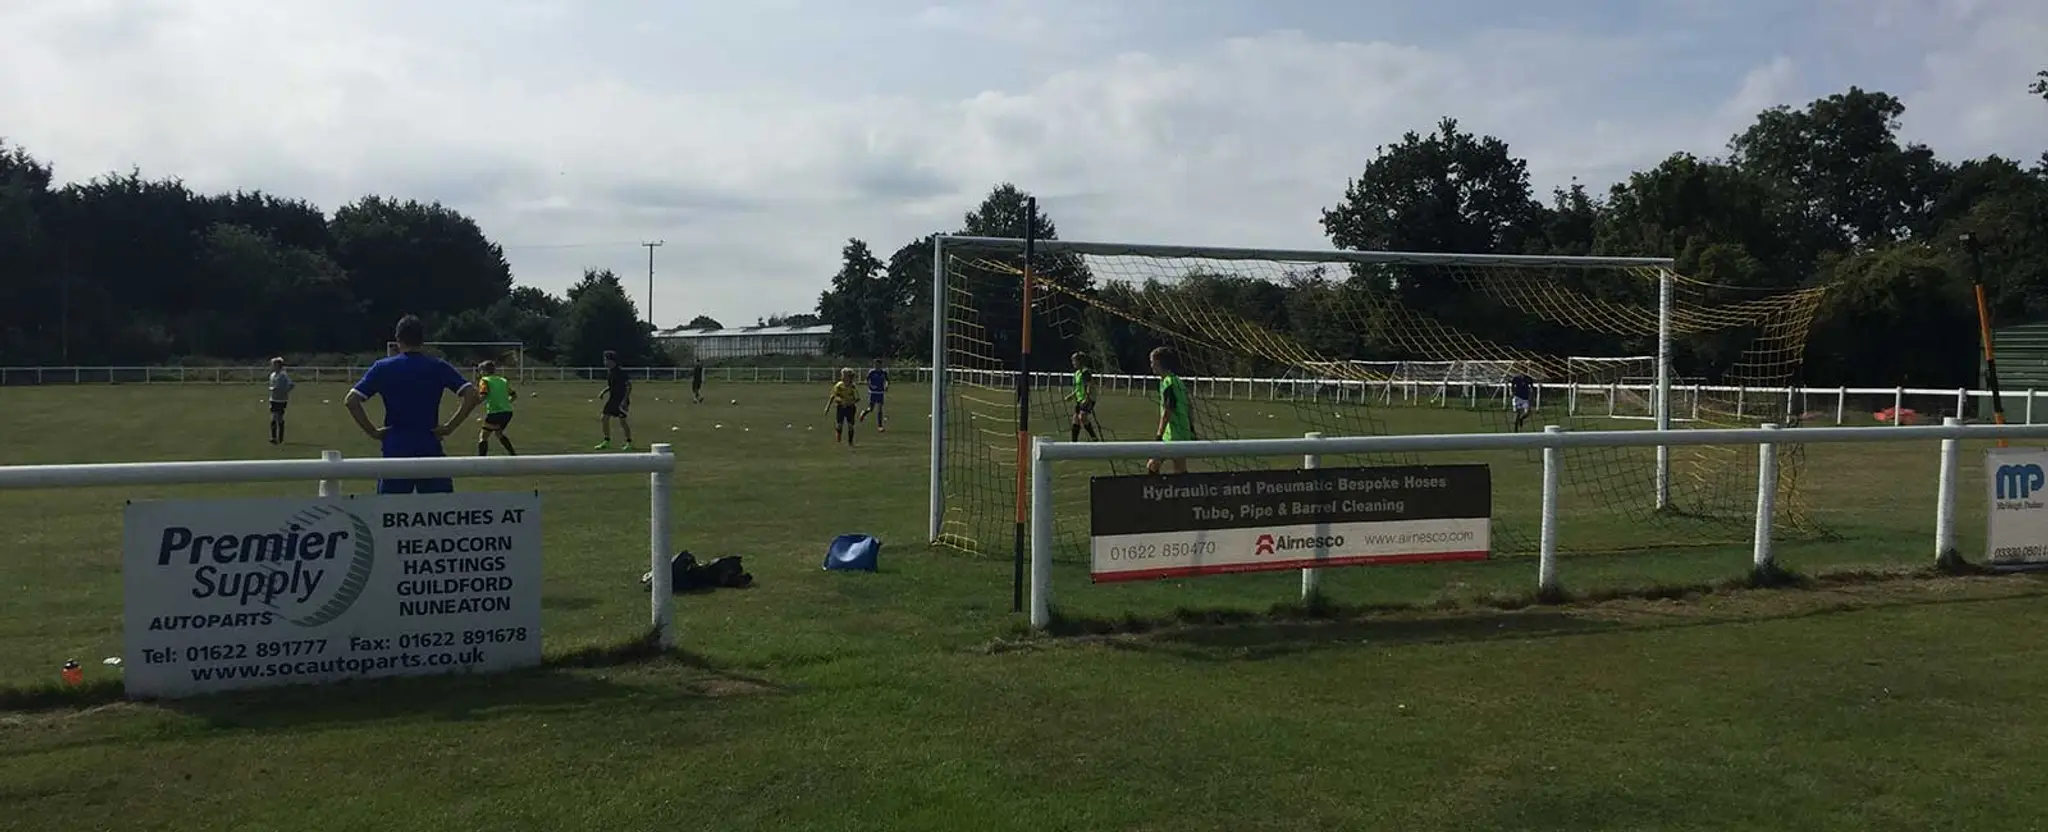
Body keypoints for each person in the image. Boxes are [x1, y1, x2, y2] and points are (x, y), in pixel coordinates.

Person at [343, 315, 482, 494]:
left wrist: (373, 432)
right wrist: (449, 427)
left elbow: (351, 401)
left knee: (391, 513)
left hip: (395, 446)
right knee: (439, 512)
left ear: (397, 339)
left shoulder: (383, 367)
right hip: (429, 443)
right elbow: (471, 395)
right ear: (422, 340)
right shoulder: (438, 366)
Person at [1145, 347, 1192, 475]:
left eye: (1152, 362)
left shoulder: (1169, 382)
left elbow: (1167, 411)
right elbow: (1189, 406)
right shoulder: (1176, 380)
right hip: (1178, 433)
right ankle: (1159, 492)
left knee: (1179, 470)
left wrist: (1158, 436)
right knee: (1153, 465)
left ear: (1159, 363)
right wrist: (1191, 429)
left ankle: (1181, 493)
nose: (1151, 365)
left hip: (1174, 435)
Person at [475, 360, 518, 456]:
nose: (480, 373)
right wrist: (506, 402)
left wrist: (473, 403)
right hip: (507, 412)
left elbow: (483, 395)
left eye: (480, 371)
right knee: (499, 433)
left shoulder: (484, 380)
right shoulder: (503, 380)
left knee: (483, 437)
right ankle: (513, 454)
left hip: (495, 412)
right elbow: (514, 395)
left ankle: (481, 460)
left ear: (484, 371)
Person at [595, 350, 635, 451]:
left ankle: (629, 442)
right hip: (612, 400)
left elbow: (629, 386)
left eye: (606, 360)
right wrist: (603, 392)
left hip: (621, 401)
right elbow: (612, 386)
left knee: (622, 422)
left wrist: (625, 400)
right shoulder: (610, 372)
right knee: (604, 418)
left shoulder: (620, 372)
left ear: (612, 361)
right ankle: (606, 441)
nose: (604, 362)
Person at [1067, 351, 1101, 442]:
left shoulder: (1085, 372)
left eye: (1074, 361)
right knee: (1075, 419)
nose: (1073, 363)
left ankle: (1094, 439)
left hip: (1087, 399)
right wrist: (1072, 395)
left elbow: (1090, 384)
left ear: (1079, 361)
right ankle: (1074, 442)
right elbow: (1078, 388)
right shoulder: (1077, 373)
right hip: (1080, 399)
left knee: (1082, 416)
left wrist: (1087, 397)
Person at [827, 367, 861, 446]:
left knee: (850, 425)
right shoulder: (839, 385)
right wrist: (839, 401)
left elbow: (858, 398)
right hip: (841, 407)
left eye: (844, 375)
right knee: (839, 424)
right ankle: (838, 437)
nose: (843, 376)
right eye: (842, 375)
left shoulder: (852, 386)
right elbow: (834, 396)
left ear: (849, 376)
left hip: (850, 408)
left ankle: (850, 442)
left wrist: (851, 402)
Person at [266, 357, 295, 445]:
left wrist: (284, 391)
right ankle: (274, 437)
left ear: (278, 365)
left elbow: (292, 385)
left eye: (274, 364)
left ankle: (280, 438)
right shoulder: (272, 375)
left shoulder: (283, 375)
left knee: (279, 418)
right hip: (273, 399)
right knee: (273, 417)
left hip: (281, 400)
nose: (272, 366)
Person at [860, 358, 889, 431]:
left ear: (880, 365)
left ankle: (880, 426)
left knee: (879, 409)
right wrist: (871, 386)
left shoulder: (883, 372)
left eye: (878, 364)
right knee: (871, 409)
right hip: (872, 392)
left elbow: (887, 380)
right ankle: (864, 413)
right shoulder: (871, 372)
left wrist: (886, 385)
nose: (876, 365)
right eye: (875, 364)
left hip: (880, 392)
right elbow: (867, 380)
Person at [1509, 367, 1536, 431]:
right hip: (1517, 397)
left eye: (1525, 371)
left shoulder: (1529, 379)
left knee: (1527, 412)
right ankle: (1515, 430)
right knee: (1517, 413)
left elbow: (1532, 387)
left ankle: (1521, 419)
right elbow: (1512, 386)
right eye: (1522, 371)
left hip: (1525, 398)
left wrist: (1532, 395)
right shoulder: (1516, 378)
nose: (1523, 373)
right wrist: (1511, 392)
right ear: (1519, 371)